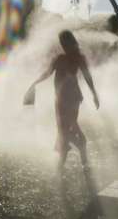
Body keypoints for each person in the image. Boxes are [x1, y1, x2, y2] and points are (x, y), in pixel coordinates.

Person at [27, 30, 100, 167]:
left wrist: (94, 94)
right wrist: (34, 83)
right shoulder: (62, 58)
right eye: (62, 43)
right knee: (66, 129)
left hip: (70, 99)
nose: (64, 45)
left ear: (71, 42)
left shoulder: (75, 58)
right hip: (64, 99)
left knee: (65, 129)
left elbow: (87, 76)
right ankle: (75, 156)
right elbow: (47, 73)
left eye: (65, 42)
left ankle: (72, 157)